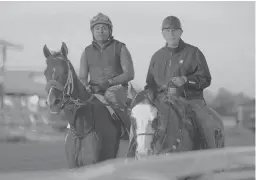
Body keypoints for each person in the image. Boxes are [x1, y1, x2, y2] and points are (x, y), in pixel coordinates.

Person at [144, 15, 216, 149]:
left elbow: (206, 79)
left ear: (180, 32)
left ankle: (212, 158)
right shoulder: (157, 57)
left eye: (174, 30)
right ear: (162, 33)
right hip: (162, 102)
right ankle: (136, 155)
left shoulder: (193, 53)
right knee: (141, 123)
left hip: (190, 101)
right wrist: (149, 96)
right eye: (167, 31)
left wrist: (186, 80)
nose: (171, 34)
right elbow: (150, 84)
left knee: (204, 122)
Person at [79, 12, 134, 134]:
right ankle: (74, 135)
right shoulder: (86, 52)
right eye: (97, 28)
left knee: (110, 95)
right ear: (92, 31)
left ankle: (130, 130)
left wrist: (107, 83)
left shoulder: (120, 47)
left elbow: (129, 74)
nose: (100, 31)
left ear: (110, 30)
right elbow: (82, 77)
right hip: (94, 90)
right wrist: (87, 87)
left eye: (104, 28)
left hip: (117, 88)